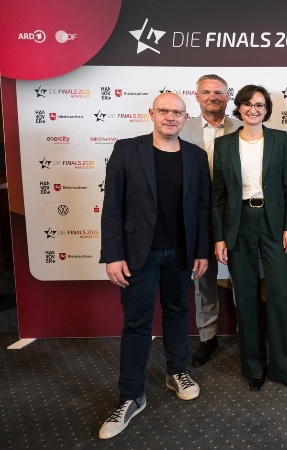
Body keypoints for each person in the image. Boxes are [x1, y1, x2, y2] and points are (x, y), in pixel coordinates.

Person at [99, 92, 210, 439]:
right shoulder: (126, 150)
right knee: (137, 323)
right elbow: (112, 204)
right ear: (152, 113)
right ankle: (130, 395)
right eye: (164, 111)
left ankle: (176, 370)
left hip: (180, 252)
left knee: (178, 312)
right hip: (138, 255)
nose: (170, 117)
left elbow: (203, 209)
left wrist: (202, 250)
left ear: (185, 117)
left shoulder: (195, 156)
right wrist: (113, 254)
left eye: (177, 112)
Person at [211, 84, 287, 391]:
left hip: (274, 223)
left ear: (267, 110)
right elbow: (219, 197)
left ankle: (283, 367)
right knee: (246, 296)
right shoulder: (224, 145)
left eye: (260, 105)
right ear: (239, 107)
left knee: (278, 295)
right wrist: (220, 238)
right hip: (238, 222)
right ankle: (253, 366)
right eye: (248, 104)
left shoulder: (279, 139)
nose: (254, 109)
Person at [178, 74, 242, 367]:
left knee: (244, 277)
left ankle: (248, 333)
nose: (212, 96)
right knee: (202, 277)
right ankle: (208, 337)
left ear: (228, 96)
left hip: (236, 215)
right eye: (206, 92)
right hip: (197, 215)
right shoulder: (181, 128)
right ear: (197, 96)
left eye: (218, 92)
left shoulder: (244, 128)